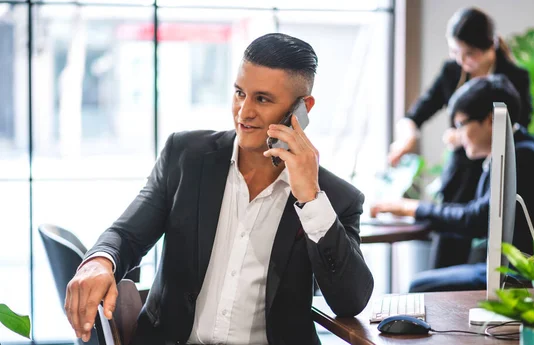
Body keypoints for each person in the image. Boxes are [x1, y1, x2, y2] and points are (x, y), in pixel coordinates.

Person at [64, 33, 374, 345]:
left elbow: (349, 301)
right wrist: (99, 261)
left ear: (302, 108)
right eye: (240, 93)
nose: (244, 112)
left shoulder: (335, 199)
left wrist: (310, 199)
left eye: (262, 99)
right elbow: (127, 235)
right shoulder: (185, 156)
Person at [371, 75, 534, 292]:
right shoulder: (522, 146)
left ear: (490, 120)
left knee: (420, 285)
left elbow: (478, 218)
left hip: (531, 275)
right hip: (516, 267)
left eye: (461, 124)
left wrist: (410, 208)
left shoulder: (521, 157)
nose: (457, 134)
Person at [388, 7, 533, 204]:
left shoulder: (515, 77)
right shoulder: (452, 71)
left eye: (469, 54)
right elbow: (417, 114)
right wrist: (406, 139)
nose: (461, 60)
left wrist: (462, 136)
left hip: (498, 170)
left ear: (490, 46)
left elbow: (521, 128)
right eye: (455, 52)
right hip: (460, 172)